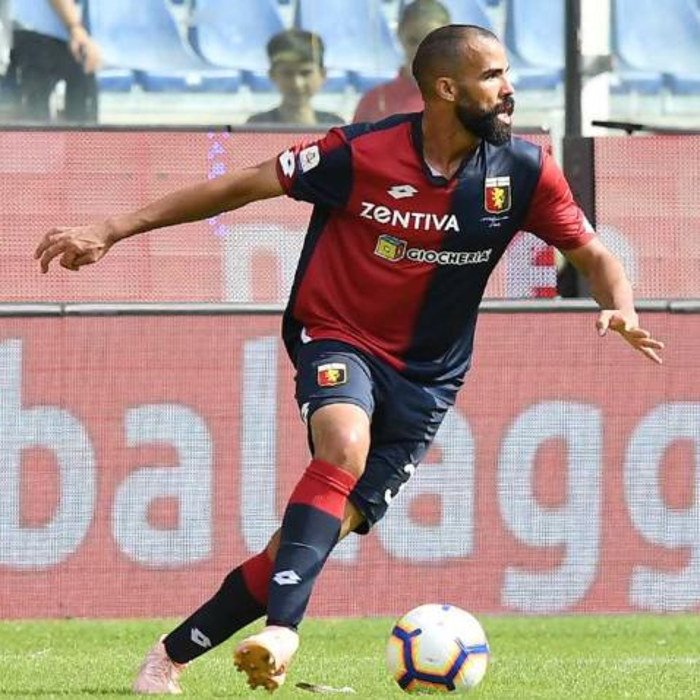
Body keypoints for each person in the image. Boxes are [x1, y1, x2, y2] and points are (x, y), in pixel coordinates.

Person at [34, 24, 665, 695]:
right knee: (342, 444)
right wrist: (112, 228)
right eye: (492, 76)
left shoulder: (525, 170)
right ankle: (285, 632)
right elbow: (243, 185)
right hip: (338, 335)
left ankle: (169, 656)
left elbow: (593, 255)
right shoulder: (360, 152)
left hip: (429, 380)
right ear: (446, 89)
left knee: (300, 546)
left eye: (507, 73)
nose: (509, 89)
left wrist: (622, 306)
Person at [353, 0, 450, 122]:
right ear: (399, 35)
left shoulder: (465, 100)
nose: (421, 50)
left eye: (432, 41)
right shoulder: (374, 102)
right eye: (413, 41)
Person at [9, 0, 101, 122]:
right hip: (46, 36)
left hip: (50, 34)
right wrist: (76, 28)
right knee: (38, 120)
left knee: (36, 118)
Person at [247, 29, 344, 127]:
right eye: (287, 73)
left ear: (323, 74)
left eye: (306, 73)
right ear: (272, 75)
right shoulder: (256, 126)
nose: (297, 84)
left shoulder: (335, 126)